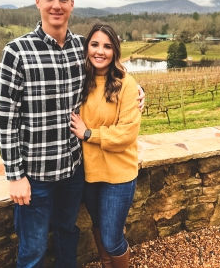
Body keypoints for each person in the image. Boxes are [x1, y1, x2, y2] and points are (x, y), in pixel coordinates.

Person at [0, 0, 144, 268]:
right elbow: (6, 118)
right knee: (33, 249)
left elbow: (112, 70)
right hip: (35, 175)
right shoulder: (17, 52)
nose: (56, 5)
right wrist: (14, 175)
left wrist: (139, 89)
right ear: (37, 1)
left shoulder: (82, 48)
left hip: (73, 172)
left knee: (68, 236)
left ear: (72, 4)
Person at [71, 23, 141, 268]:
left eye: (107, 46)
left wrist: (89, 134)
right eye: (95, 44)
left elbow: (126, 134)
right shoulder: (80, 81)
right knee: (99, 229)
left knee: (112, 239)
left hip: (118, 176)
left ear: (115, 51)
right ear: (86, 47)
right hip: (89, 174)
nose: (100, 51)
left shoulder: (126, 84)